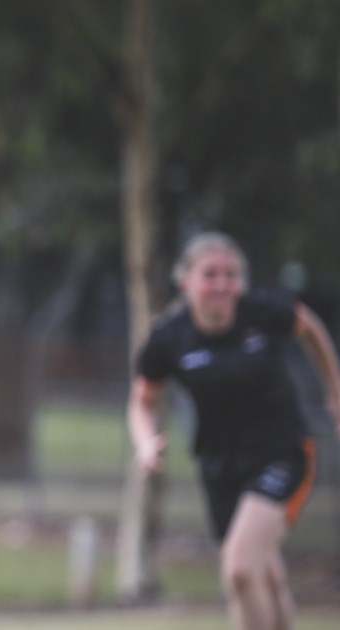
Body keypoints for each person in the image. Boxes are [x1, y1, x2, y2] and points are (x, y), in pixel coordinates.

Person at [130, 232, 340, 630]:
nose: (222, 284)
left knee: (240, 571)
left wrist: (336, 393)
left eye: (231, 274)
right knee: (267, 576)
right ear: (185, 280)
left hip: (284, 453)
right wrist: (144, 443)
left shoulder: (262, 312)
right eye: (210, 274)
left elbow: (312, 330)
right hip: (220, 468)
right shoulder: (169, 338)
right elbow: (142, 400)